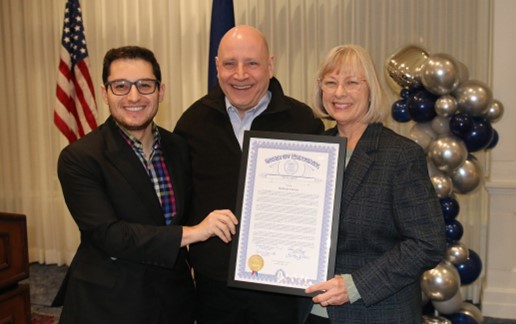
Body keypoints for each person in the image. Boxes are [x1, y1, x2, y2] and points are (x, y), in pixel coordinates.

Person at [55, 46, 238, 324]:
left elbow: (193, 206)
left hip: (174, 300)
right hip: (110, 305)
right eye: (120, 86)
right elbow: (110, 236)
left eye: (145, 85)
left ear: (160, 92)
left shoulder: (179, 146)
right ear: (104, 93)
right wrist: (194, 233)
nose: (134, 96)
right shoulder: (79, 158)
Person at [174, 25, 324, 323]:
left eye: (252, 64)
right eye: (230, 64)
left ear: (270, 65)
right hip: (215, 284)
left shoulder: (303, 121)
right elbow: (181, 201)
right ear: (217, 67)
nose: (240, 75)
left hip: (282, 284)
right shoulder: (192, 123)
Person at [298, 44, 446, 323]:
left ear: (370, 90)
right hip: (312, 310)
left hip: (373, 311)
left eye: (352, 82)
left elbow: (428, 243)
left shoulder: (401, 155)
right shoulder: (312, 152)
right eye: (331, 83)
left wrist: (355, 286)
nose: (339, 93)